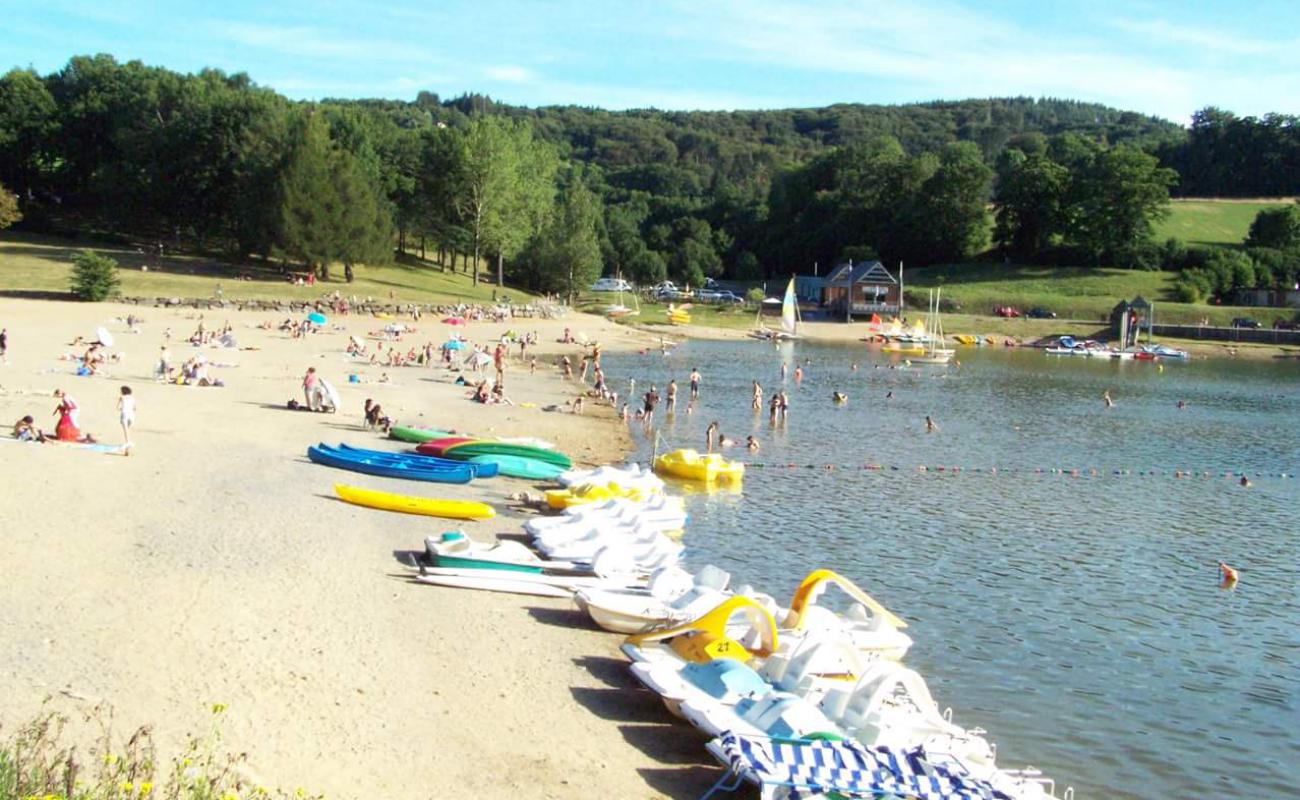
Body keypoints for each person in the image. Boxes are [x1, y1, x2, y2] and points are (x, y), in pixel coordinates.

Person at [117, 386, 135, 452]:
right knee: (128, 431)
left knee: (126, 431)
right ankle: (127, 450)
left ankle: (128, 443)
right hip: (132, 414)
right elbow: (134, 408)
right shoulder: (132, 398)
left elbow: (118, 407)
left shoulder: (122, 397)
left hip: (124, 414)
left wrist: (122, 408)